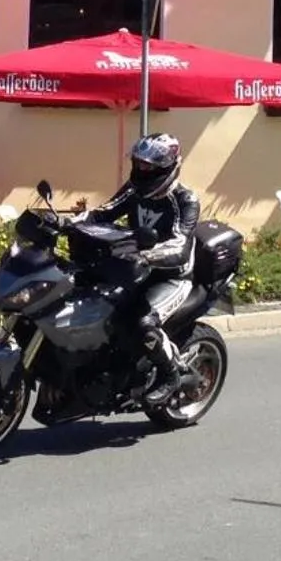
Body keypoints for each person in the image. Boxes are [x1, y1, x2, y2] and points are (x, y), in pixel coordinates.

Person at [86, 132, 201, 402]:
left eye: (149, 165)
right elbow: (103, 213)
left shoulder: (185, 200)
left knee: (143, 323)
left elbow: (180, 246)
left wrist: (147, 256)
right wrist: (67, 223)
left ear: (168, 167)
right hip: (134, 271)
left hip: (172, 277)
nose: (142, 169)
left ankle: (170, 374)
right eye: (139, 163)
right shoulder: (133, 189)